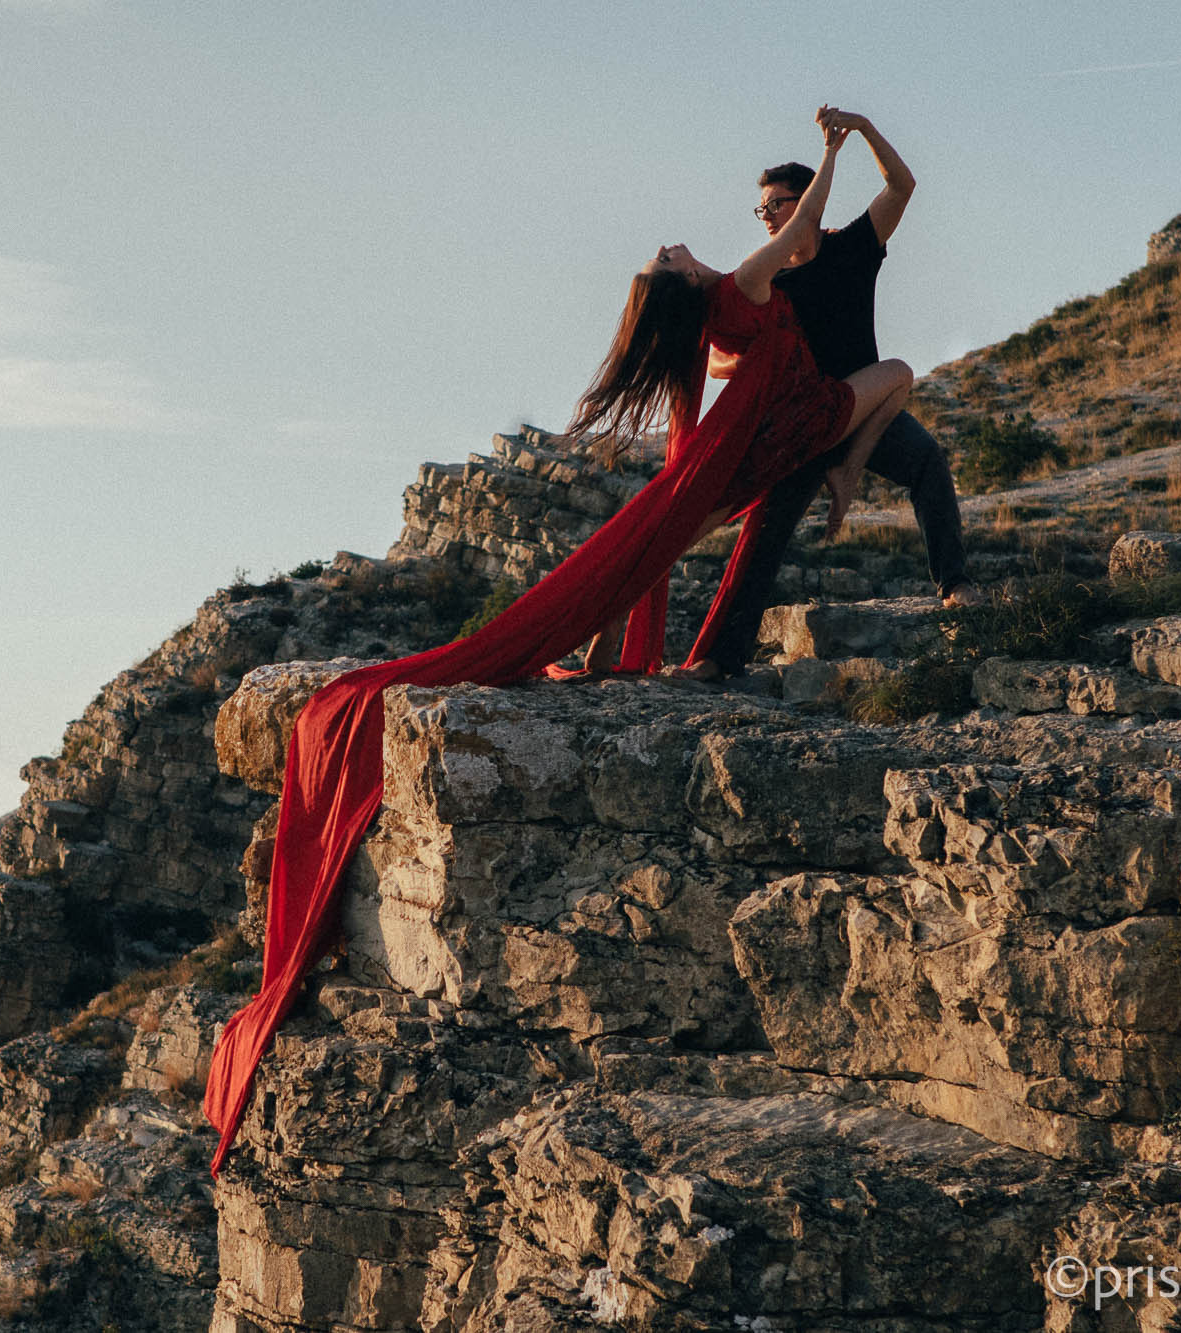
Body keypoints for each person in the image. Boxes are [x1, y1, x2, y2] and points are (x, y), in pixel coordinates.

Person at [201, 113, 913, 1175]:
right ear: (684, 282)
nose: (668, 243)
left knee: (894, 375)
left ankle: (847, 469)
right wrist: (841, 147)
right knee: (896, 370)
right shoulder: (739, 292)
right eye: (662, 255)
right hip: (799, 420)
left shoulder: (719, 319)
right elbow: (805, 229)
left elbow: (798, 246)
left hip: (771, 428)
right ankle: (849, 469)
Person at [679, 107, 981, 682]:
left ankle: (956, 585)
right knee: (762, 535)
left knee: (926, 462)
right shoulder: (773, 282)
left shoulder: (852, 248)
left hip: (864, 406)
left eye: (776, 204)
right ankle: (718, 659)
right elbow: (724, 347)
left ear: (807, 200)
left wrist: (863, 129)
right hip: (802, 422)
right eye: (761, 207)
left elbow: (902, 186)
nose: (766, 216)